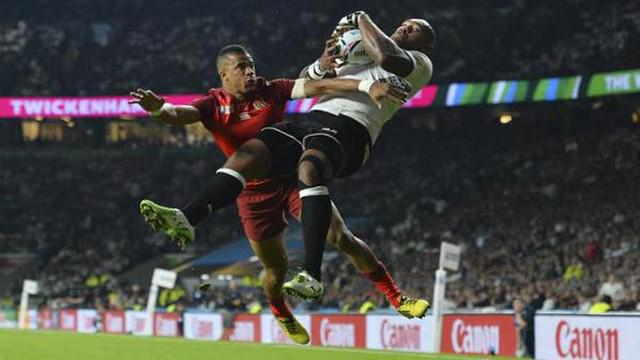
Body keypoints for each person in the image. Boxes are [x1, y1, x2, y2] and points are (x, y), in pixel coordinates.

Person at [132, 44, 422, 344]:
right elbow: (177, 114)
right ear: (224, 74)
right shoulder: (211, 104)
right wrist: (157, 108)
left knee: (342, 238)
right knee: (275, 268)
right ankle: (280, 310)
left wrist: (366, 85)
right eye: (241, 67)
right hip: (251, 193)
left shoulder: (270, 89)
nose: (250, 72)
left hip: (293, 179)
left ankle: (396, 297)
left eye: (251, 65)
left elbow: (319, 85)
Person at [158, 11, 435, 302]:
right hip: (313, 119)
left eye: (414, 28)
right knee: (251, 151)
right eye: (403, 24)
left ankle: (312, 275)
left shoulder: (419, 63)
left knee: (310, 169)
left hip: (351, 128)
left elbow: (388, 58)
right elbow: (307, 81)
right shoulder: (362, 53)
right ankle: (187, 217)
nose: (405, 27)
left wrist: (360, 18)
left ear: (426, 45)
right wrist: (322, 63)